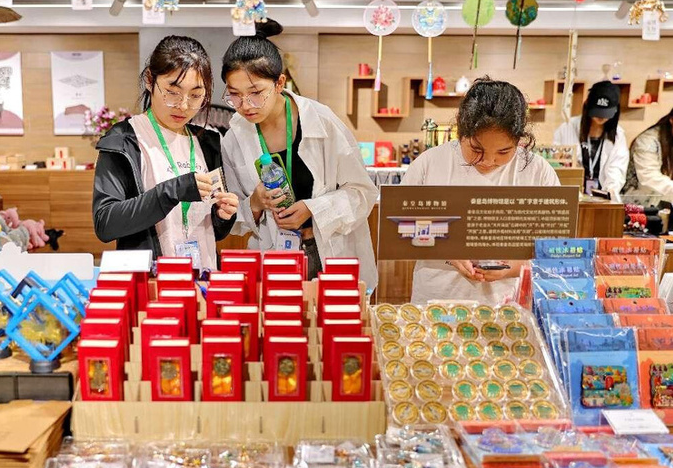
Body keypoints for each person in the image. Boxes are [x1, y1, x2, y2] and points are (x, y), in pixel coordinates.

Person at [220, 20, 378, 289]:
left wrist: (313, 210)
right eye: (234, 95)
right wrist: (255, 203)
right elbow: (233, 216)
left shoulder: (321, 121)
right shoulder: (235, 136)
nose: (245, 105)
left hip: (327, 251)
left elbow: (363, 193)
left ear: (280, 82)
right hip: (275, 254)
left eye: (256, 93)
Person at [401, 77, 561, 304]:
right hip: (437, 299)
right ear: (460, 132)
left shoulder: (538, 172)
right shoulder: (430, 163)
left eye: (504, 151)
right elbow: (400, 228)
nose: (488, 161)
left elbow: (553, 250)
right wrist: (446, 249)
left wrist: (511, 268)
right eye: (476, 149)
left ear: (519, 140)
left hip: (508, 303)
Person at [92, 35, 239, 270]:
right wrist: (173, 191)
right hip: (152, 281)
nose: (183, 105)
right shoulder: (124, 140)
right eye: (173, 91)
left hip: (204, 276)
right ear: (150, 80)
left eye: (195, 95)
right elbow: (106, 223)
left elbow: (214, 232)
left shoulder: (208, 141)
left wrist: (223, 215)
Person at [552, 81, 629, 198]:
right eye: (597, 111)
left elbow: (617, 168)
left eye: (605, 113)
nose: (601, 116)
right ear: (587, 105)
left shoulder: (618, 135)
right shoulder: (567, 128)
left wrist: (610, 190)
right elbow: (556, 160)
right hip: (571, 195)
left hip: (603, 197)